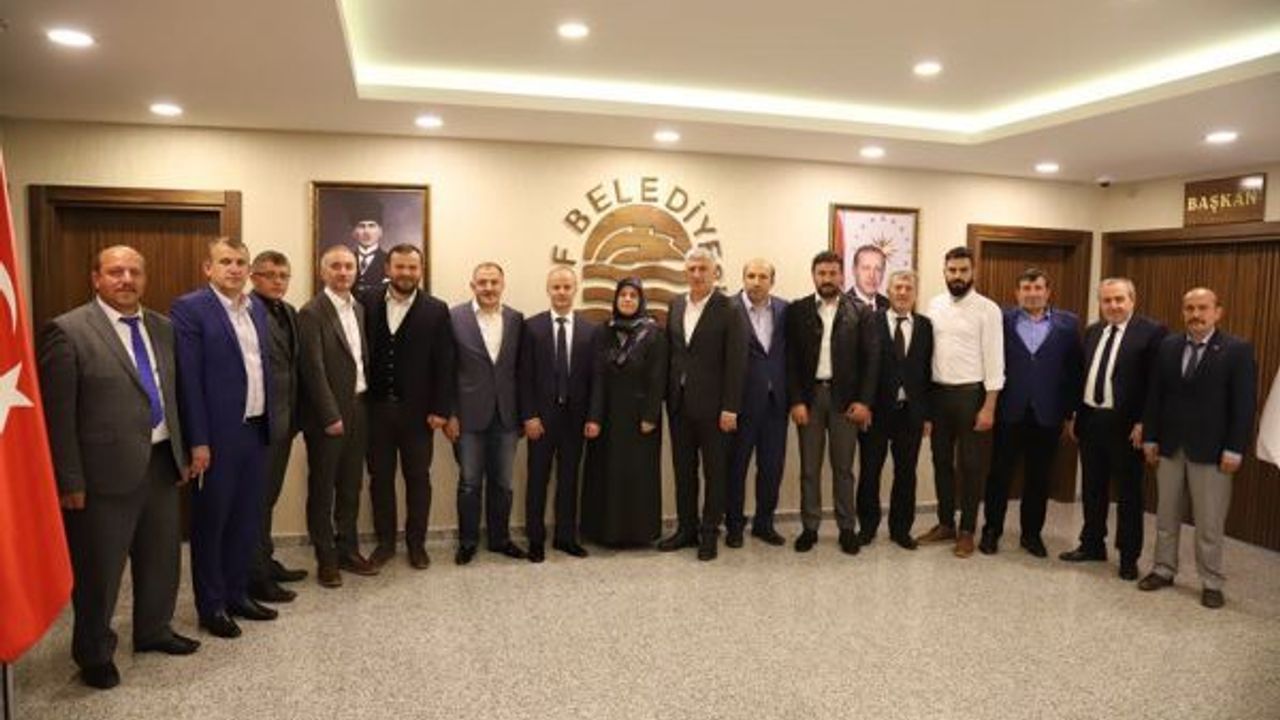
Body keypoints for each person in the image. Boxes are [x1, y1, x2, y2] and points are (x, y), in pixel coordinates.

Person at [39, 245, 198, 689]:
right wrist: (69, 479)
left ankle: (153, 631)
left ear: (144, 278)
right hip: (101, 475)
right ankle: (93, 653)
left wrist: (183, 452)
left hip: (161, 463)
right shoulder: (67, 331)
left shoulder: (163, 328)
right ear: (96, 278)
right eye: (115, 272)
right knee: (100, 572)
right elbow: (57, 416)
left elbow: (173, 395)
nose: (126, 279)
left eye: (134, 272)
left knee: (161, 559)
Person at [171, 237, 277, 638]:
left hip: (255, 430)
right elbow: (189, 380)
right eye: (226, 261)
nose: (234, 269)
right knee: (212, 524)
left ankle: (237, 594)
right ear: (208, 268)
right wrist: (198, 440)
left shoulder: (256, 309)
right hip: (216, 437)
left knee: (245, 521)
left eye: (240, 262)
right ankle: (211, 606)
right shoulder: (190, 309)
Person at [1139, 288, 1257, 609]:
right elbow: (1155, 395)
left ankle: (1211, 581)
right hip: (1170, 447)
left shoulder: (1237, 350)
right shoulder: (1168, 346)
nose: (1196, 314)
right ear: (1183, 312)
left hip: (1213, 451)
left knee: (1209, 522)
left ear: (1218, 312)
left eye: (1203, 308)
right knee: (1166, 516)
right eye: (1189, 308)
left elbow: (1244, 406)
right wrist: (1150, 437)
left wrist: (1235, 448)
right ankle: (1163, 569)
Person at [1060, 278, 1166, 580]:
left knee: (1128, 494)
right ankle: (1092, 544)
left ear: (1132, 300)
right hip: (1091, 420)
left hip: (1127, 426)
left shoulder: (1151, 333)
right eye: (1107, 300)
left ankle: (1128, 556)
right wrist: (1075, 415)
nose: (1113, 305)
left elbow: (1157, 384)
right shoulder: (1093, 331)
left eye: (1119, 299)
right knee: (1092, 487)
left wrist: (1145, 423)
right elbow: (1083, 375)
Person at [979, 268, 1083, 558]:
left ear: (1048, 292)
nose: (1032, 293)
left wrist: (1071, 413)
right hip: (1009, 411)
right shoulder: (1002, 320)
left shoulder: (1068, 325)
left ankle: (1031, 535)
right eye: (1026, 288)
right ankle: (991, 531)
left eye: (1038, 288)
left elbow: (1074, 371)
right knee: (999, 475)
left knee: (1039, 478)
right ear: (1017, 293)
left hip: (1047, 414)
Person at [364, 244, 454, 570]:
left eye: (412, 267)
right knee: (380, 479)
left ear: (421, 270)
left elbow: (445, 363)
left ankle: (417, 545)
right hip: (375, 410)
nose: (406, 273)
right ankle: (385, 543)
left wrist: (441, 410)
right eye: (400, 267)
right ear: (387, 268)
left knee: (418, 479)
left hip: (418, 414)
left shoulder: (436, 309)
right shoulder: (366, 301)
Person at [786, 250, 878, 555]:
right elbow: (791, 361)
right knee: (809, 469)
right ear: (813, 275)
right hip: (810, 399)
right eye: (821, 273)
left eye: (832, 273)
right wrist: (796, 400)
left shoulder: (861, 311)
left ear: (842, 276)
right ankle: (810, 528)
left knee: (844, 469)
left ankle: (847, 528)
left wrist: (864, 402)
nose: (827, 279)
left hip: (846, 402)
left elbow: (871, 362)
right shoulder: (797, 310)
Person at [660, 247, 747, 561]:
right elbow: (673, 354)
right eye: (692, 269)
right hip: (679, 405)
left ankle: (709, 533)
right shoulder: (676, 304)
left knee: (715, 473)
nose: (697, 274)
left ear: (714, 273)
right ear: (686, 272)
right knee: (684, 471)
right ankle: (687, 529)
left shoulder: (730, 308)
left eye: (703, 269)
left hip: (715, 409)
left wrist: (731, 408)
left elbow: (737, 362)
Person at [298, 244, 377, 587]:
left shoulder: (358, 308)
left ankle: (348, 549)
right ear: (323, 272)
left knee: (350, 486)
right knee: (323, 489)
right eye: (336, 266)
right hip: (327, 415)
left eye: (348, 266)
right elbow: (312, 370)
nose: (343, 272)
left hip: (359, 408)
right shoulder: (311, 312)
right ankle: (326, 558)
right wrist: (330, 415)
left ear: (356, 271)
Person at [918, 246, 1003, 558]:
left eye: (963, 270)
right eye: (952, 270)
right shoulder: (934, 305)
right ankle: (946, 524)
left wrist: (989, 406)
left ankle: (967, 530)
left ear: (973, 272)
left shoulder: (988, 309)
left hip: (972, 396)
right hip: (939, 395)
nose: (957, 276)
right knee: (941, 462)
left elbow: (995, 360)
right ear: (944, 272)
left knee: (971, 465)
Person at [518, 266, 602, 562]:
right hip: (540, 420)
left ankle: (566, 537)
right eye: (556, 287)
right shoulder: (531, 327)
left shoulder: (591, 330)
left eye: (567, 287)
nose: (562, 292)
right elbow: (524, 377)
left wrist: (593, 417)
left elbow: (597, 379)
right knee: (537, 479)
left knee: (569, 479)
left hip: (575, 420)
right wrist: (529, 416)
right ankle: (535, 539)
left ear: (575, 289)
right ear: (548, 290)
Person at [447, 262, 526, 565]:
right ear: (473, 286)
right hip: (468, 417)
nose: (489, 288)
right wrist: (451, 413)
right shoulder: (455, 317)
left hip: (507, 416)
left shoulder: (516, 319)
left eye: (494, 282)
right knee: (469, 483)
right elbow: (447, 369)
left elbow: (521, 370)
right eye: (483, 282)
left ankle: (500, 539)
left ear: (503, 285)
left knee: (503, 483)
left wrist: (524, 414)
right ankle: (467, 542)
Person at [580, 278, 667, 547]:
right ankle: (604, 532)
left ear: (641, 300)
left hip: (640, 419)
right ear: (615, 299)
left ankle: (638, 534)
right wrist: (594, 417)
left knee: (636, 476)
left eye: (633, 295)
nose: (627, 299)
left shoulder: (653, 333)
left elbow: (658, 378)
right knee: (605, 474)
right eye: (623, 295)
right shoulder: (603, 331)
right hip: (607, 417)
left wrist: (650, 416)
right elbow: (596, 377)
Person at [247, 250, 307, 603]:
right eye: (269, 275)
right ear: (253, 277)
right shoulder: (245, 312)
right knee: (255, 502)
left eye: (283, 275)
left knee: (267, 499)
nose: (277, 281)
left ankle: (265, 561)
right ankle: (255, 577)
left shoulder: (289, 312)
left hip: (284, 422)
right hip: (259, 426)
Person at [856, 269, 932, 550]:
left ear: (915, 294)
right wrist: (863, 405)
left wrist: (927, 415)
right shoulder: (870, 321)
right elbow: (861, 365)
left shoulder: (925, 326)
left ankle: (901, 530)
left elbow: (928, 372)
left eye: (908, 288)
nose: (902, 292)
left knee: (906, 474)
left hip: (910, 414)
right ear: (888, 291)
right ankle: (867, 527)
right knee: (869, 472)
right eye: (897, 287)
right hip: (875, 413)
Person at [726, 259, 789, 547]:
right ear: (743, 278)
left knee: (772, 469)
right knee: (735, 468)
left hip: (775, 404)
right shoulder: (727, 308)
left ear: (771, 281)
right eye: (750, 275)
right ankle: (734, 526)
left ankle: (764, 524)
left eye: (763, 276)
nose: (756, 281)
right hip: (739, 405)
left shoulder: (785, 310)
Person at [344, 196, 388, 299]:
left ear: (380, 231)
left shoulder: (389, 261)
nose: (366, 232)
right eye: (361, 226)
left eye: (372, 226)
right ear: (354, 232)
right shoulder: (345, 261)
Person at [847, 244, 890, 312]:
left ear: (883, 272)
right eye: (866, 268)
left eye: (878, 269)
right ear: (854, 270)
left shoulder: (890, 307)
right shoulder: (840, 307)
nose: (872, 275)